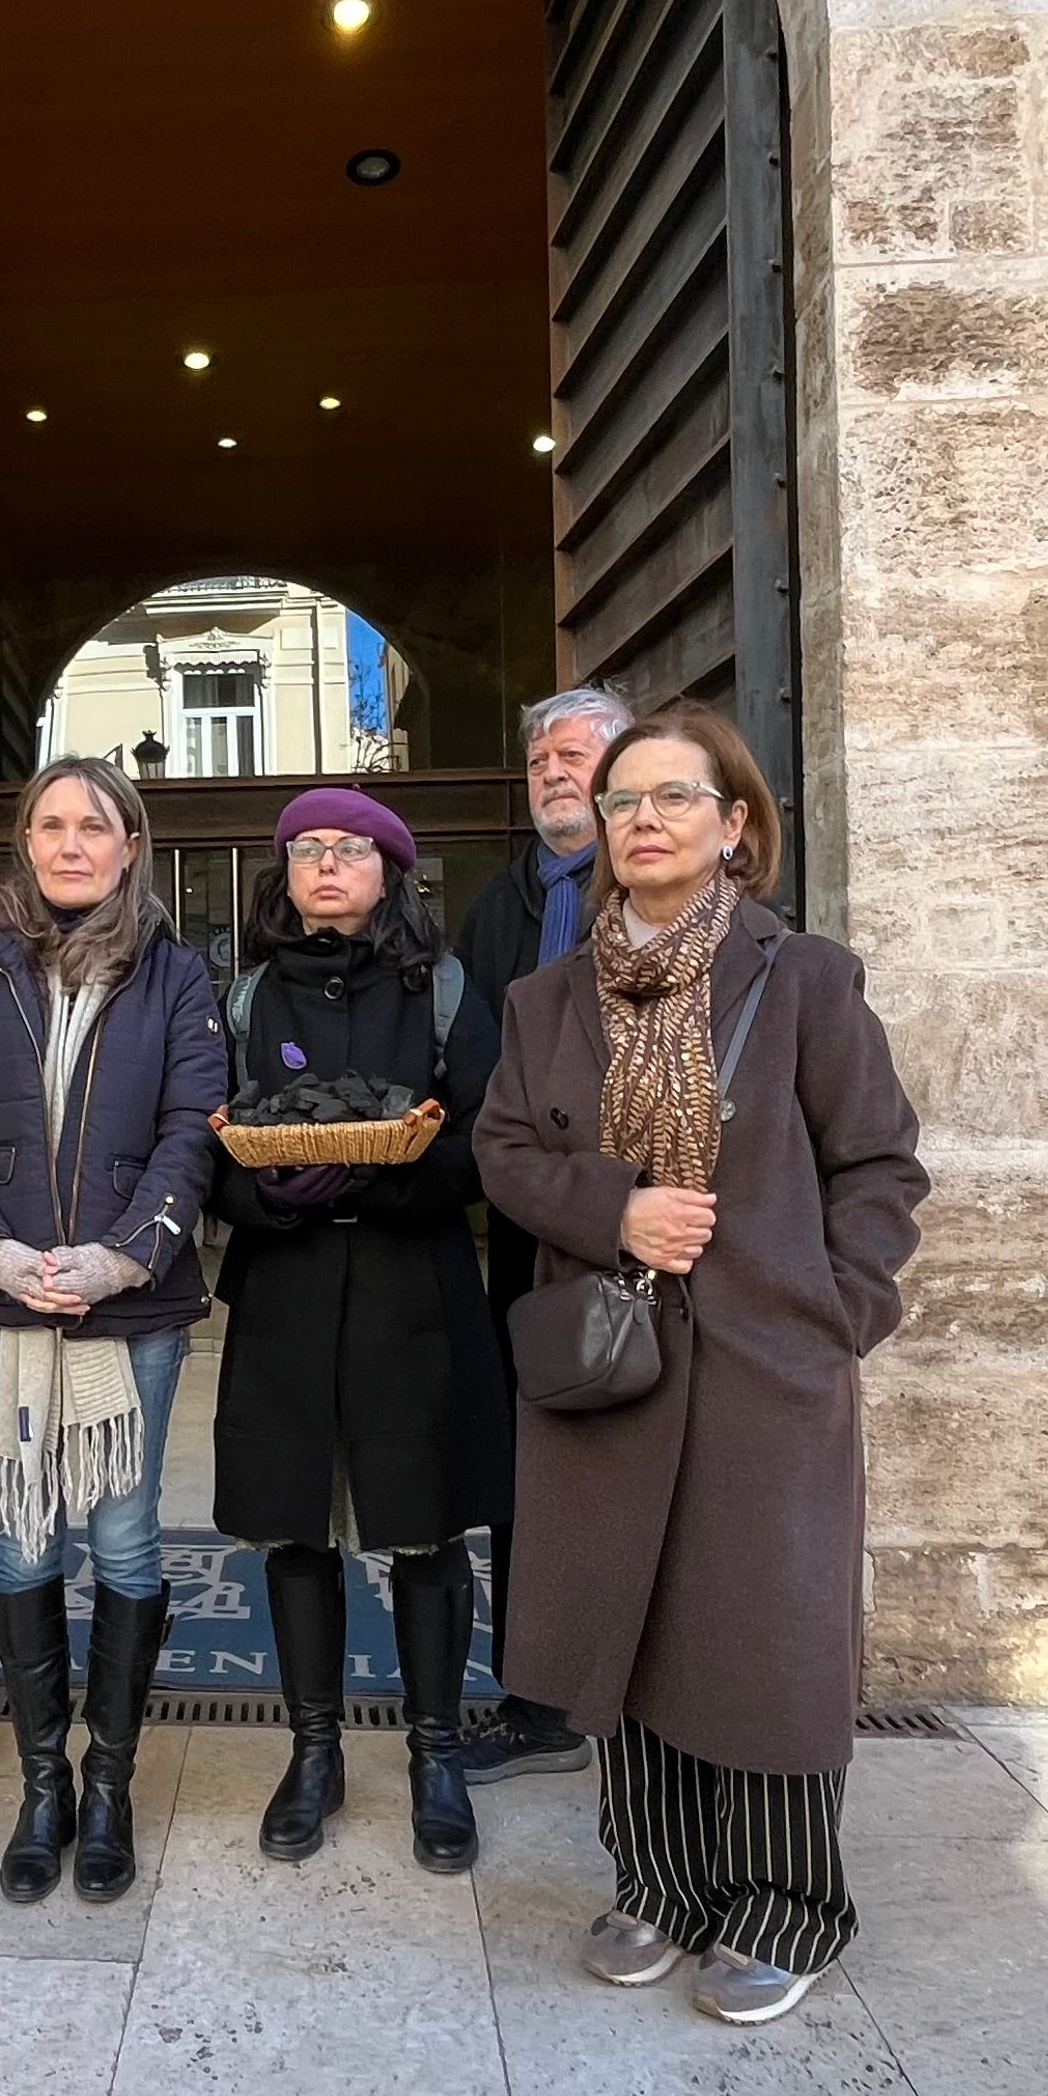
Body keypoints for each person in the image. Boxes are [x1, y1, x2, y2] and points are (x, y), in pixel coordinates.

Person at [472, 702, 928, 2028]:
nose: (645, 822)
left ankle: (784, 1904)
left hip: (764, 1362)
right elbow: (506, 1155)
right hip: (613, 1360)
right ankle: (661, 1886)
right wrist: (613, 1210)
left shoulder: (806, 981)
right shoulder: (544, 998)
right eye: (624, 803)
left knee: (761, 1638)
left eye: (676, 798)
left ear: (735, 825)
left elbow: (879, 1166)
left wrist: (834, 1312)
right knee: (635, 1624)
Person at [0, 756, 226, 1906]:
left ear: (131, 843)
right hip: (7, 1297)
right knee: (23, 1537)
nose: (71, 842)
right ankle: (46, 1785)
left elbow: (197, 1123)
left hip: (130, 1300)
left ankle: (112, 1786)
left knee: (128, 1539)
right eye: (50, 824)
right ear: (27, 842)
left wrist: (127, 1253)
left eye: (95, 824)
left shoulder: (176, 973)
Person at [206, 786, 507, 1873]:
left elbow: (489, 1138)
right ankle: (314, 1752)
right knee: (295, 1528)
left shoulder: (446, 990)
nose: (328, 865)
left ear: (390, 872)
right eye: (307, 851)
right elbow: (206, 1147)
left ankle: (434, 1756)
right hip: (285, 1294)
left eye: (352, 850)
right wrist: (268, 1194)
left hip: (410, 1292)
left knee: (425, 1531)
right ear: (284, 874)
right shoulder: (241, 997)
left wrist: (378, 1182)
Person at [447, 683, 632, 1786]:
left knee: (644, 1461)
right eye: (541, 764)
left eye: (576, 757)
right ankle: (538, 1698)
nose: (555, 775)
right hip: (528, 1233)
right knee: (531, 1464)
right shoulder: (499, 905)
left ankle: (645, 1686)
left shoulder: (663, 889)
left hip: (652, 1231)